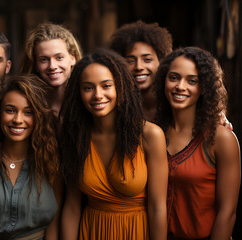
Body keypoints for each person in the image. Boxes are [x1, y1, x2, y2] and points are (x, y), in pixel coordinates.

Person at [60, 48, 168, 240]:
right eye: (88, 88)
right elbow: (71, 207)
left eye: (106, 86)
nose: (97, 95)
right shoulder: (75, 136)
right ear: (78, 92)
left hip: (135, 232)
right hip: (92, 231)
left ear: (120, 87)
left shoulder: (150, 135)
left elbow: (157, 207)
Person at [154, 46, 240, 239]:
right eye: (174, 78)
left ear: (204, 88)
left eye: (192, 81)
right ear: (163, 81)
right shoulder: (153, 133)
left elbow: (227, 212)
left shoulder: (221, 139)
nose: (180, 86)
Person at [0, 75, 61, 239]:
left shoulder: (51, 159)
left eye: (28, 112)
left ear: (38, 117)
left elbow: (55, 221)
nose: (18, 120)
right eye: (10, 110)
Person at [109, 20, 173, 122]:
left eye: (147, 60)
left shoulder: (174, 102)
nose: (139, 67)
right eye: (130, 61)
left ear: (162, 62)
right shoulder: (116, 107)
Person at [20, 23, 82, 116]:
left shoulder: (85, 100)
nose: (52, 66)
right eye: (44, 60)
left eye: (59, 57)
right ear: (36, 64)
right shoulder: (26, 104)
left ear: (72, 58)